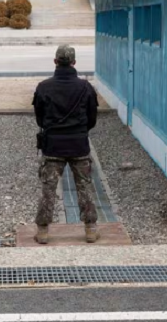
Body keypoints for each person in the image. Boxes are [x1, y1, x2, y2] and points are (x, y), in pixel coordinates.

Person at [32, 44, 99, 244]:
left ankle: (43, 231)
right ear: (74, 62)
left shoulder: (43, 87)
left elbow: (40, 119)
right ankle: (90, 229)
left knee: (48, 189)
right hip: (79, 145)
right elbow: (92, 119)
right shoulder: (85, 87)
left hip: (53, 147)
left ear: (55, 62)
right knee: (85, 187)